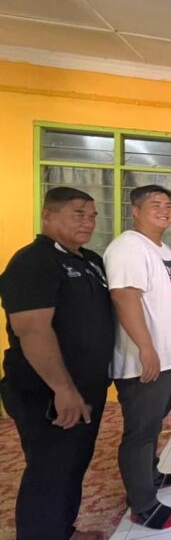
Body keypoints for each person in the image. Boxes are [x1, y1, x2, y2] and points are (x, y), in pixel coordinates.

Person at [0, 187, 113, 540]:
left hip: (87, 385)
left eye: (92, 215)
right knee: (49, 471)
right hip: (47, 391)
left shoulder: (90, 260)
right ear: (47, 215)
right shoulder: (33, 261)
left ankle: (63, 530)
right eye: (78, 213)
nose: (88, 222)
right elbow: (32, 329)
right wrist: (62, 389)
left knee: (73, 464)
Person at [105, 185, 171, 530]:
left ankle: (151, 474)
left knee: (155, 423)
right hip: (146, 361)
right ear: (136, 211)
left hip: (170, 358)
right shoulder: (128, 247)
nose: (165, 210)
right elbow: (124, 296)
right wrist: (146, 348)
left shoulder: (160, 247)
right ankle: (142, 505)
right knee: (140, 431)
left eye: (168, 204)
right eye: (155, 204)